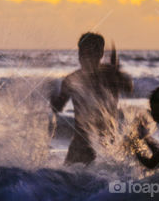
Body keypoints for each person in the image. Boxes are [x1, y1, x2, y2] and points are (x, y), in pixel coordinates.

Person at [49, 33, 133, 164]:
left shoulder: (109, 75)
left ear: (100, 54)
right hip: (82, 144)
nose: (84, 57)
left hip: (105, 144)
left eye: (89, 53)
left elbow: (128, 88)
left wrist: (117, 73)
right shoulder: (72, 79)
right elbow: (58, 107)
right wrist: (51, 93)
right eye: (82, 53)